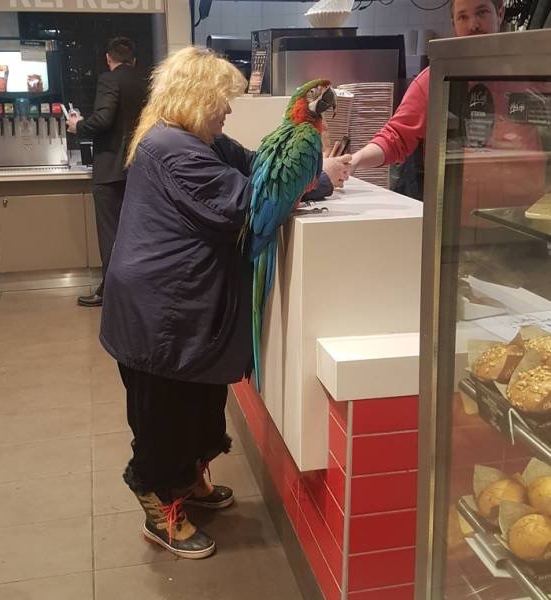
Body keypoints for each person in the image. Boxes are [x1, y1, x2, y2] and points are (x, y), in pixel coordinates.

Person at [98, 46, 348, 560]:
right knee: (164, 417)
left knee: (198, 402)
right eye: (222, 100)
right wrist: (320, 177)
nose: (229, 109)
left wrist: (311, 171)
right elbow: (247, 201)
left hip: (182, 307)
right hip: (160, 313)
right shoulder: (174, 149)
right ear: (197, 97)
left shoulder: (197, 139)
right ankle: (159, 504)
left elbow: (259, 167)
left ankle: (188, 480)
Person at [349, 0, 506, 186]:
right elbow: (396, 137)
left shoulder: (527, 74)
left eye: (482, 13)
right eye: (463, 17)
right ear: (454, 23)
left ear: (500, 14)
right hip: (451, 200)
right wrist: (354, 160)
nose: (473, 25)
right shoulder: (436, 79)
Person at [67, 37, 147, 308]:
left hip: (111, 170)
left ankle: (110, 293)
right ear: (133, 60)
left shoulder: (109, 80)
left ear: (108, 59)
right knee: (137, 233)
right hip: (140, 168)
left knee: (110, 235)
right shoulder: (145, 81)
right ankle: (137, 291)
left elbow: (103, 119)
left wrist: (78, 126)